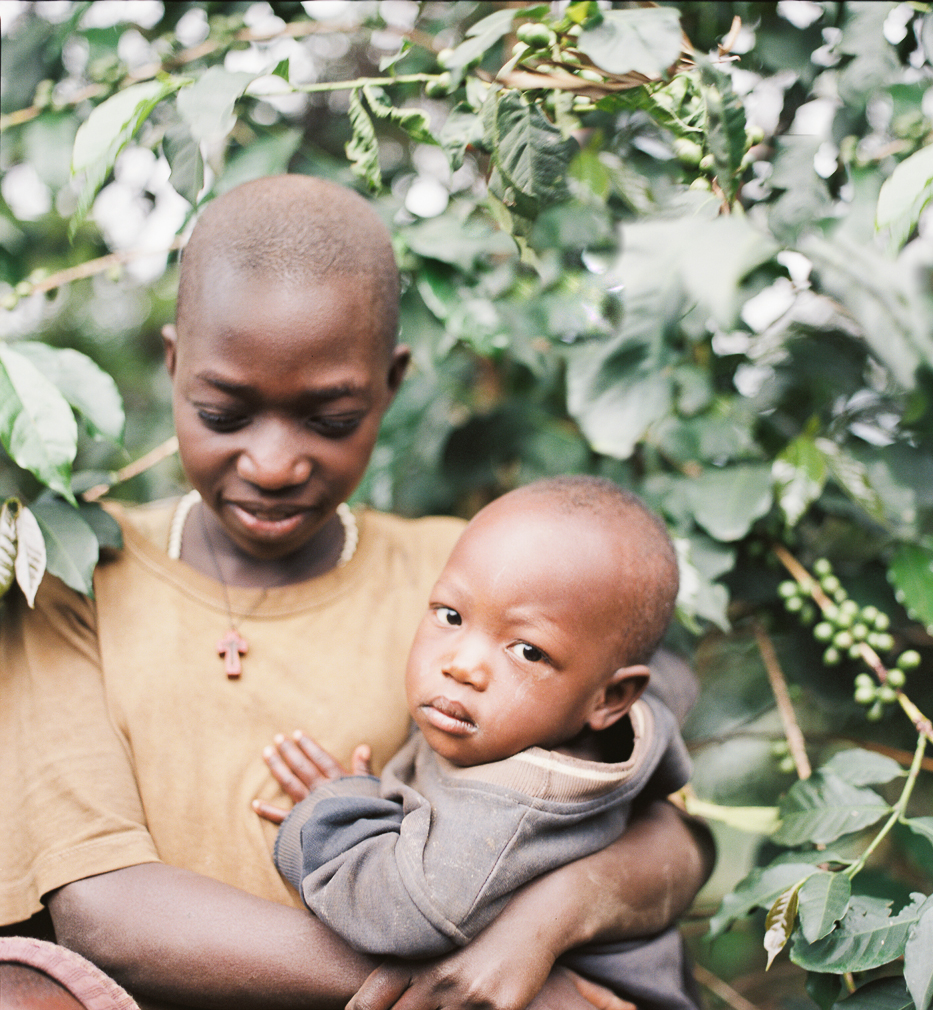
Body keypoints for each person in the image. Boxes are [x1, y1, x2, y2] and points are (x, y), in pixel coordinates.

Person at [0, 174, 713, 1010]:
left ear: (391, 383)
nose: (272, 465)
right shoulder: (71, 572)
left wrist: (541, 929)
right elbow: (105, 913)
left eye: (330, 420)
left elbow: (668, 839)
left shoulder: (473, 585)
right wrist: (474, 989)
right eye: (224, 413)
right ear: (174, 364)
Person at [262, 477, 702, 1010]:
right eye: (451, 616)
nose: (462, 665)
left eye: (527, 651)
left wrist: (333, 807)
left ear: (611, 698)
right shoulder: (569, 723)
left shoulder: (507, 805)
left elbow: (399, 915)